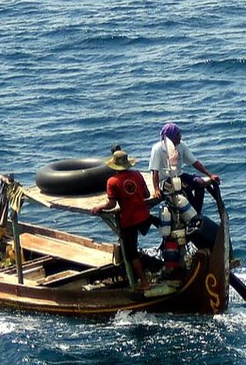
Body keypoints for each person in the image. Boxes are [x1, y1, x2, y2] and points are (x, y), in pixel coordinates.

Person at [91, 149, 153, 290]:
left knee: (131, 253)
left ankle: (144, 283)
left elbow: (111, 204)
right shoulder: (137, 174)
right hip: (144, 216)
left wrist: (99, 207)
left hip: (129, 220)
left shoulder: (112, 182)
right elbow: (146, 194)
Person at [148, 122, 220, 213]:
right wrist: (156, 189)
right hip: (165, 179)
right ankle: (192, 214)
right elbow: (155, 171)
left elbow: (194, 162)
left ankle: (197, 212)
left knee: (200, 183)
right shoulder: (157, 149)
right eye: (177, 135)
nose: (180, 137)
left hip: (179, 174)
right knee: (184, 188)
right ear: (171, 137)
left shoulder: (181, 145)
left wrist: (210, 175)